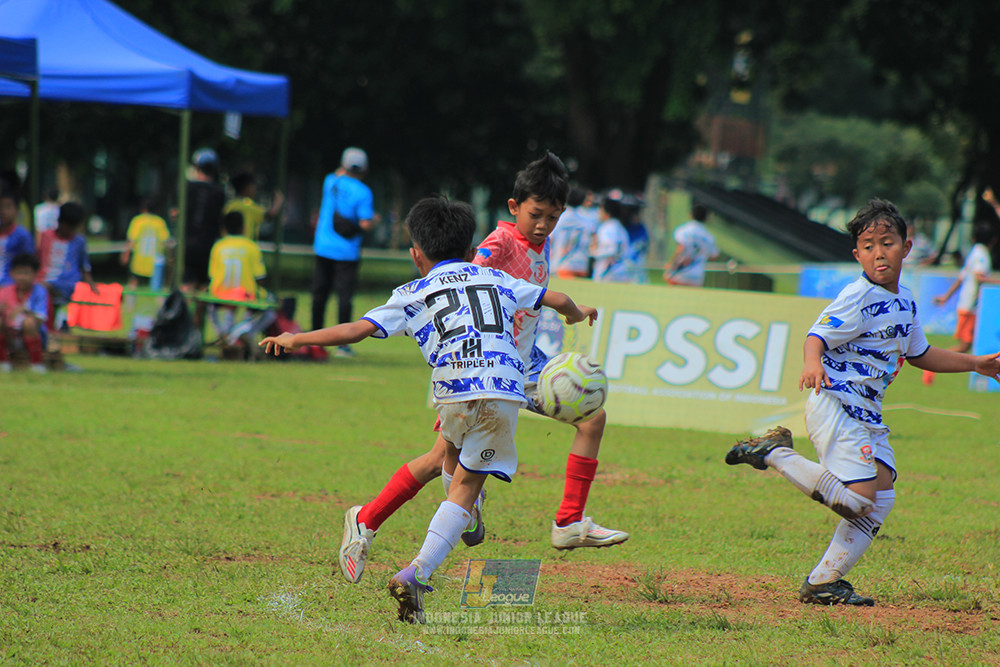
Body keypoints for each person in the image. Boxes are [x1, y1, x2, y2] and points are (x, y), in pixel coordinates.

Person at [260, 195, 598, 624]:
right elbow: (559, 298)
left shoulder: (412, 292)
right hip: (501, 390)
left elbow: (357, 330)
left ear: (416, 254)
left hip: (450, 390)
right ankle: (419, 570)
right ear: (469, 248)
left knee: (451, 455)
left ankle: (450, 516)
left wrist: (298, 338)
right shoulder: (496, 279)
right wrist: (576, 314)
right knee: (466, 484)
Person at [336, 153, 629, 589]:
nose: (544, 224)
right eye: (536, 214)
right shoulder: (502, 242)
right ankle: (368, 519)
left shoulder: (537, 244)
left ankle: (568, 521)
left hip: (520, 365)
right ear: (514, 207)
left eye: (553, 216)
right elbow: (466, 278)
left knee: (592, 418)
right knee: (440, 461)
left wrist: (572, 309)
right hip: (485, 367)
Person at [725, 198, 1000, 607]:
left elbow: (921, 353)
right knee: (859, 500)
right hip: (836, 403)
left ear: (906, 247)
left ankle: (824, 581)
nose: (878, 253)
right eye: (868, 246)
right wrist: (812, 362)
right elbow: (816, 335)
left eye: (886, 243)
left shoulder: (904, 300)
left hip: (866, 413)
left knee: (881, 496)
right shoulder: (859, 296)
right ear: (857, 255)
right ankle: (775, 454)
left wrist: (975, 363)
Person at [312, 147, 380, 357]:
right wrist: (375, 220)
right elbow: (365, 223)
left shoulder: (330, 182)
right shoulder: (363, 192)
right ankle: (342, 344)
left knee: (319, 293)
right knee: (344, 296)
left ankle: (315, 339)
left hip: (323, 246)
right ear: (365, 169)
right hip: (347, 252)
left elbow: (337, 173)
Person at [922, 217, 998, 385]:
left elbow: (962, 277)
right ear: (993, 239)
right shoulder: (981, 254)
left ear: (973, 238)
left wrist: (946, 296)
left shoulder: (973, 252)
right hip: (970, 306)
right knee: (965, 345)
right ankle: (931, 364)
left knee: (966, 345)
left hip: (967, 304)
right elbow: (979, 277)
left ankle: (932, 364)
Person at [207, 211, 276, 357]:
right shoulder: (251, 246)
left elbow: (212, 275)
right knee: (270, 312)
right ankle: (240, 334)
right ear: (243, 227)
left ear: (224, 228)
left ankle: (225, 336)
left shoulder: (218, 246)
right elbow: (260, 276)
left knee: (219, 310)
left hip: (220, 294)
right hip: (245, 294)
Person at [179, 148, 226, 331]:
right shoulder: (219, 192)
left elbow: (177, 214)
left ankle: (182, 327)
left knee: (186, 288)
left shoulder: (187, 188)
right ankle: (197, 330)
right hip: (208, 247)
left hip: (187, 245)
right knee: (203, 291)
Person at [37, 202, 98, 307]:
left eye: (73, 228)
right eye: (68, 227)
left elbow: (84, 267)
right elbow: (38, 259)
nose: (70, 231)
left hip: (67, 285)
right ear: (60, 221)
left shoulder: (79, 241)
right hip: (44, 281)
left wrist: (92, 287)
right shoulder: (46, 236)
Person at [0, 252, 49, 373]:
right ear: (12, 273)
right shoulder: (5, 292)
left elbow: (40, 318)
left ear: (35, 274)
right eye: (19, 273)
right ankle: (3, 362)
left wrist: (23, 311)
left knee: (29, 322)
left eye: (26, 273)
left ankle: (36, 363)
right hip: (9, 334)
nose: (22, 277)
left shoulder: (39, 292)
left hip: (33, 335)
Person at [121, 197, 172, 290]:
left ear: (143, 208)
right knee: (158, 287)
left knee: (133, 282)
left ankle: (130, 303)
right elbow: (165, 241)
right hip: (156, 261)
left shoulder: (137, 220)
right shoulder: (160, 222)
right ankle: (160, 303)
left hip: (139, 259)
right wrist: (169, 257)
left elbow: (131, 240)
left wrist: (125, 254)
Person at [665, 203, 718, 286]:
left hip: (681, 271)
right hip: (697, 275)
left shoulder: (683, 230)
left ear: (691, 215)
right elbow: (714, 256)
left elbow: (681, 248)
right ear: (706, 218)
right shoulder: (709, 236)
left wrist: (671, 263)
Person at [549, 186, 597, 279]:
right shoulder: (586, 220)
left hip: (563, 264)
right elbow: (593, 239)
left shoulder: (561, 218)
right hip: (582, 265)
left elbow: (550, 238)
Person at [223, 171, 285, 242]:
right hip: (245, 246)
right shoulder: (248, 205)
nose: (254, 189)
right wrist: (279, 201)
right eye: (253, 186)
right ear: (247, 187)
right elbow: (270, 215)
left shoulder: (229, 206)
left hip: (228, 244)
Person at [590, 189, 631, 282]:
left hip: (608, 272)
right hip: (621, 271)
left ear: (607, 212)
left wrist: (594, 252)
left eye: (600, 210)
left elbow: (611, 249)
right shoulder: (621, 228)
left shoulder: (607, 228)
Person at [0, 188, 35, 287]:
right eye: (0, 207)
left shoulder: (22, 236)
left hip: (11, 285)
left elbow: (27, 265)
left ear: (17, 210)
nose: (3, 211)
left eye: (8, 207)